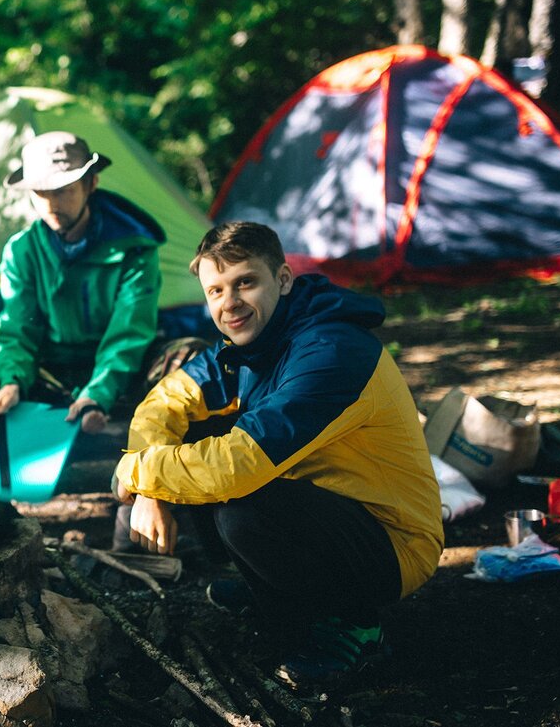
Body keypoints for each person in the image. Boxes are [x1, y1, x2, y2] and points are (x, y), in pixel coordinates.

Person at [114, 221, 443, 688]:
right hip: (320, 505)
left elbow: (238, 466)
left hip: (391, 541)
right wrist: (148, 487)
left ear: (283, 280)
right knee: (196, 429)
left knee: (244, 509)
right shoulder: (253, 342)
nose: (229, 303)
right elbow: (165, 400)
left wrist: (137, 469)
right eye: (215, 290)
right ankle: (273, 594)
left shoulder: (331, 351)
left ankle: (356, 625)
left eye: (245, 282)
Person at [0, 131, 203, 435]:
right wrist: (12, 382)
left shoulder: (135, 248)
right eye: (40, 192)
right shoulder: (21, 250)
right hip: (44, 375)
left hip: (121, 377)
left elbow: (129, 333)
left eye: (63, 190)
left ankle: (140, 437)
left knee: (193, 358)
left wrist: (97, 395)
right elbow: (17, 329)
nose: (51, 203)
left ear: (91, 184)